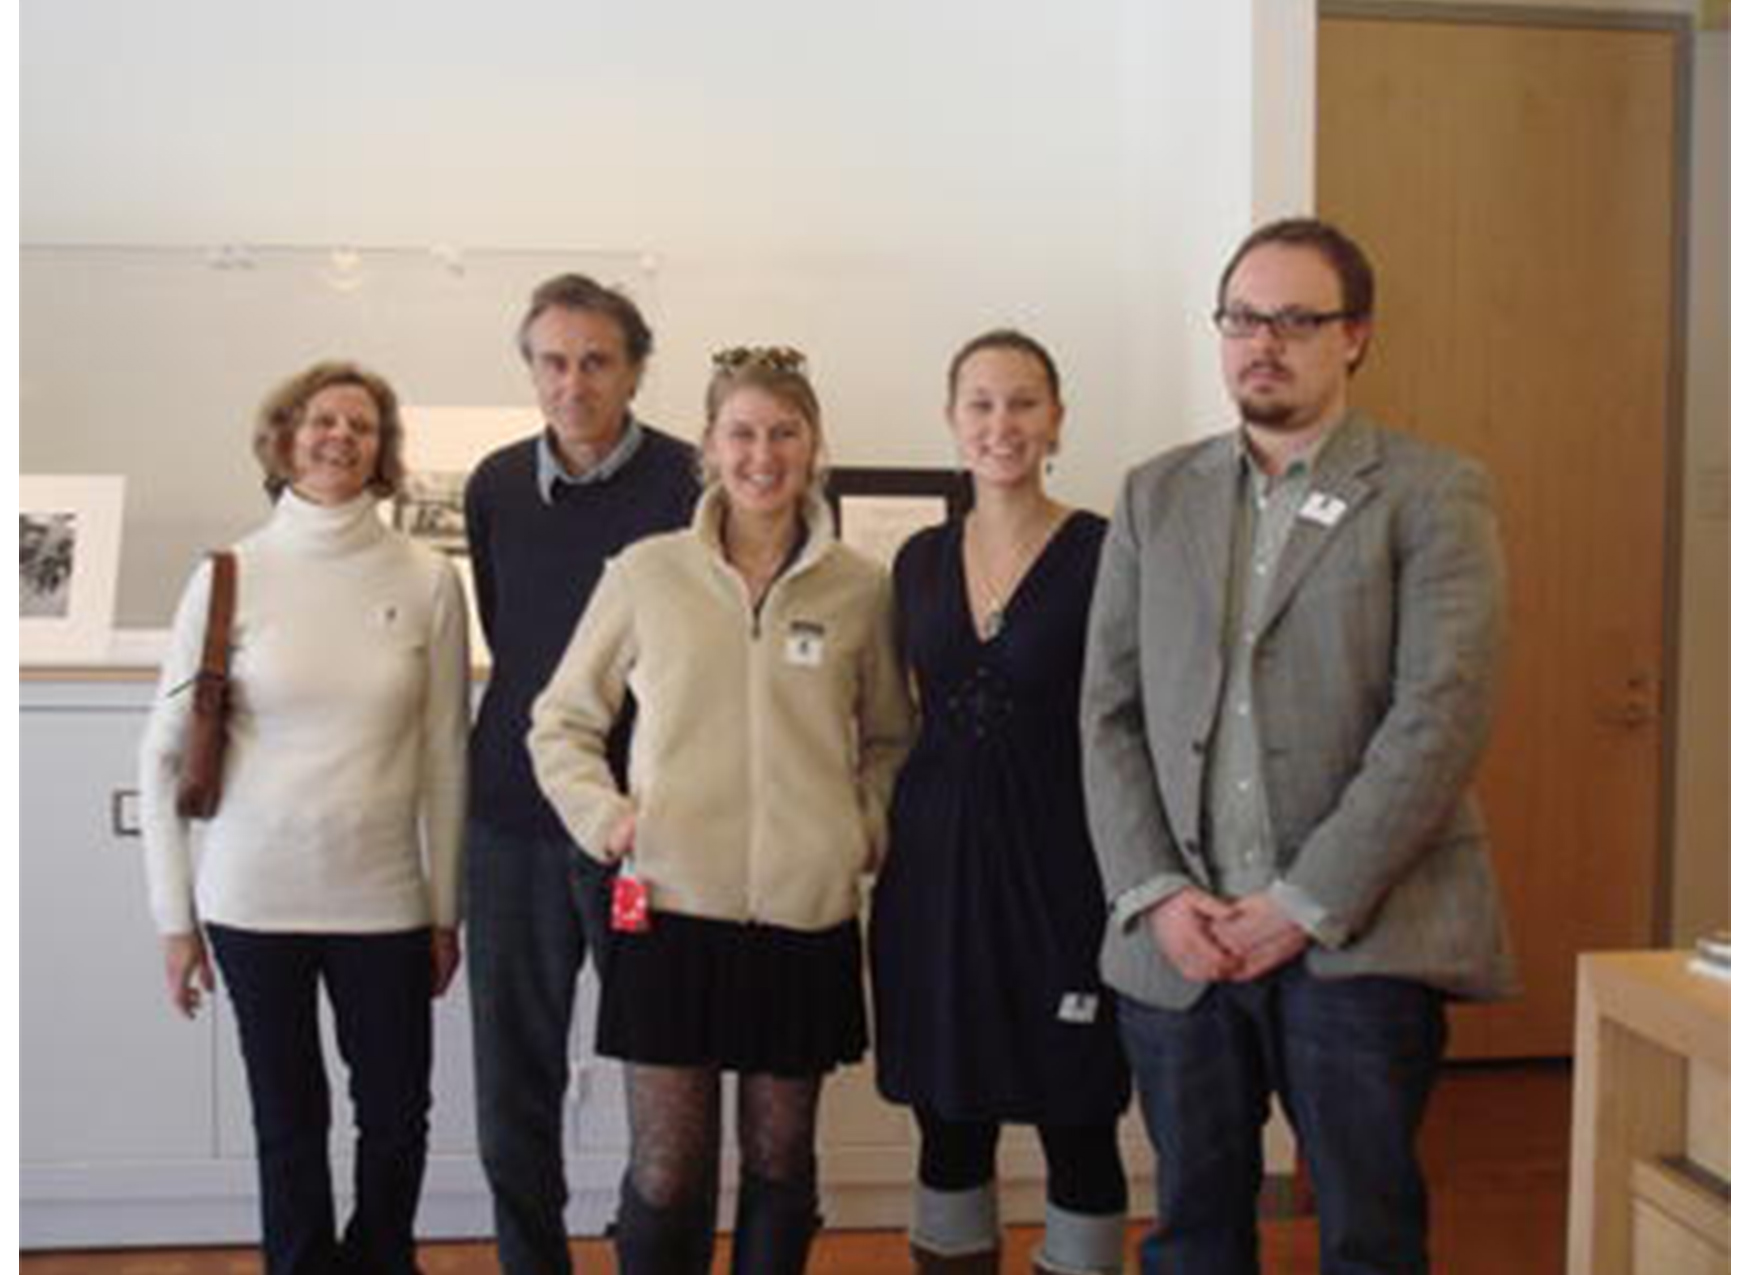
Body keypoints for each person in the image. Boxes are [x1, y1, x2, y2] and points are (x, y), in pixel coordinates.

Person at [1081, 217, 1515, 1275]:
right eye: (1240, 318)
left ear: (1353, 336)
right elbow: (1108, 709)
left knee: (1367, 1237)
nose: (1260, 342)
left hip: (1356, 942)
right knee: (1191, 1237)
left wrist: (1302, 903)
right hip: (1182, 942)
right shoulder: (1154, 493)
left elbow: (1440, 716)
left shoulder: (1432, 492)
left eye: (1294, 319)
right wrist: (1155, 892)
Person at [529, 346, 914, 1274]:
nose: (762, 454)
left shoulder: (862, 588)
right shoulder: (645, 573)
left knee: (782, 1162)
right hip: (666, 911)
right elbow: (560, 721)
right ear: (708, 445)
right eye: (741, 432)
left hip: (804, 916)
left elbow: (892, 740)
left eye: (784, 432)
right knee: (667, 1170)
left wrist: (858, 828)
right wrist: (607, 819)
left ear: (813, 445)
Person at [139, 361, 471, 1275]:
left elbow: (446, 757)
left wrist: (447, 910)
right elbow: (160, 754)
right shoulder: (229, 576)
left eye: (362, 425)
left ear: (383, 449)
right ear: (283, 438)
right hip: (254, 901)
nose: (341, 437)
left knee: (398, 1118)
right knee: (289, 1124)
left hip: (386, 903)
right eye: (321, 420)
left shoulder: (430, 578)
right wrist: (175, 923)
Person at [870, 331, 1129, 1275]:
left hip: (1067, 875)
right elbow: (891, 717)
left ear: (1057, 419)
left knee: (1079, 1118)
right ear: (952, 420)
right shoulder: (918, 561)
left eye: (1023, 403)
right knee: (949, 1121)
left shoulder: (1106, 550)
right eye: (980, 403)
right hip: (932, 876)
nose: (1001, 424)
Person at [464, 275, 699, 1275]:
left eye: (596, 361)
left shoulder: (693, 484)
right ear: (529, 369)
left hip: (644, 833)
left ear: (636, 370)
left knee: (666, 1074)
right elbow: (514, 642)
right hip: (514, 823)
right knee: (513, 1075)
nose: (573, 383)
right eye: (553, 362)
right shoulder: (495, 486)